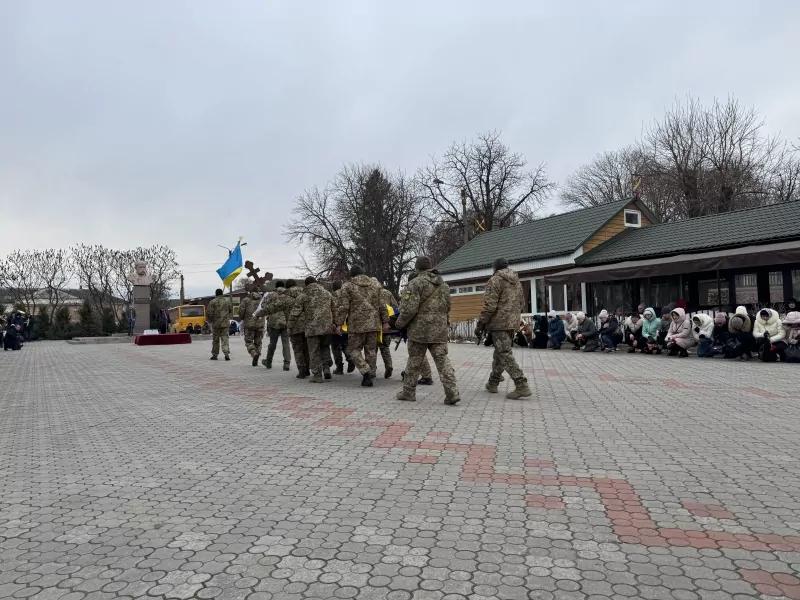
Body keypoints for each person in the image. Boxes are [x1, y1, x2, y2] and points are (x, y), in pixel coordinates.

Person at [395, 256, 460, 405]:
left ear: (417, 268)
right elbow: (448, 307)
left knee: (414, 361)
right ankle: (452, 393)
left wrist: (399, 324)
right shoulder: (443, 285)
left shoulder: (415, 283)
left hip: (419, 331)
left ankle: (408, 392)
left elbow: (409, 309)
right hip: (439, 330)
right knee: (443, 361)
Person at [475, 258, 531, 400]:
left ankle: (521, 384)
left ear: (495, 268)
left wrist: (481, 324)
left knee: (504, 353)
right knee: (500, 353)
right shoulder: (516, 281)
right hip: (512, 323)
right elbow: (522, 303)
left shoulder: (495, 280)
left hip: (499, 323)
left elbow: (490, 306)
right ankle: (493, 382)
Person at [336, 265, 389, 387]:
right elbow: (382, 305)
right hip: (373, 324)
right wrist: (385, 322)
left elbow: (344, 307)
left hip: (356, 325)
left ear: (352, 275)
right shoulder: (376, 285)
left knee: (353, 350)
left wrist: (338, 324)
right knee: (371, 350)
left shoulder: (348, 286)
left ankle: (365, 371)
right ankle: (369, 375)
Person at [292, 277, 335, 382]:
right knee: (325, 347)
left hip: (312, 328)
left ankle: (317, 375)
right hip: (327, 327)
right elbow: (334, 309)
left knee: (314, 351)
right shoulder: (327, 293)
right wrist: (335, 324)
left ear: (306, 285)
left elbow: (295, 313)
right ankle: (326, 368)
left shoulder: (303, 296)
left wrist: (290, 325)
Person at [259, 281, 291, 371]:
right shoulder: (288, 295)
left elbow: (263, 306)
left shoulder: (270, 295)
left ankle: (268, 362)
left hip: (273, 322)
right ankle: (287, 364)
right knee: (286, 343)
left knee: (272, 343)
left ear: (276, 287)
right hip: (286, 322)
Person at [285, 279, 310, 378]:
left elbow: (274, 306)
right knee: (306, 348)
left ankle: (302, 370)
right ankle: (308, 368)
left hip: (294, 327)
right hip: (307, 326)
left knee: (298, 350)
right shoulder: (305, 294)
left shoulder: (285, 297)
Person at [239, 282, 266, 367]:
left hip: (249, 324)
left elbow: (241, 312)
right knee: (258, 342)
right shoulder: (263, 300)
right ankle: (257, 354)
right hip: (260, 324)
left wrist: (243, 318)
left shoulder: (246, 300)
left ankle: (254, 354)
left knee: (248, 341)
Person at [329, 281, 353, 375]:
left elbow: (330, 310)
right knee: (346, 344)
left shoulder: (331, 296)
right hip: (347, 325)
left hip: (335, 325)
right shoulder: (346, 295)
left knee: (335, 347)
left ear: (333, 288)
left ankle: (339, 367)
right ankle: (350, 359)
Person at [376, 281, 398, 378]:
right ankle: (388, 365)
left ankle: (372, 370)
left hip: (374, 325)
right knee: (385, 347)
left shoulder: (370, 293)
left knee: (372, 349)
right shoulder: (388, 293)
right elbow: (395, 307)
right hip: (386, 325)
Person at [207, 289, 232, 360]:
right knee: (225, 339)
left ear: (216, 294)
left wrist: (210, 321)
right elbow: (230, 310)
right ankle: (226, 354)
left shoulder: (212, 302)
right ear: (222, 293)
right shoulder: (227, 301)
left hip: (216, 324)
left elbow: (209, 313)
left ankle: (215, 355)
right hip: (225, 323)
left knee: (215, 340)